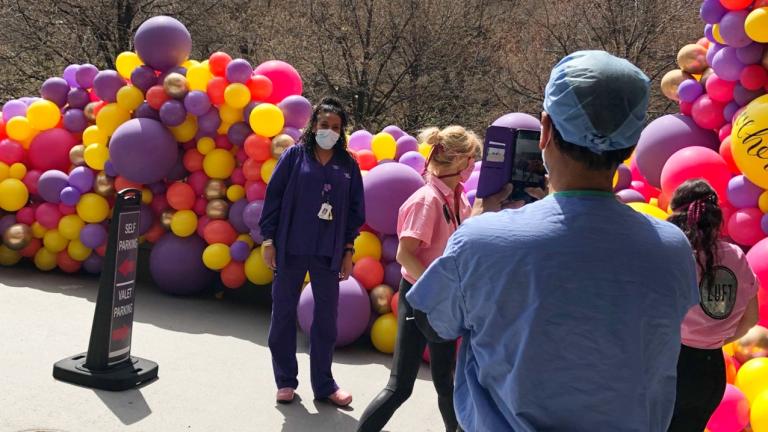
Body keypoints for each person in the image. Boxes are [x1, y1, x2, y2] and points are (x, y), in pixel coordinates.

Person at [405, 50, 700, 431]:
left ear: (545, 129)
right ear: (629, 146)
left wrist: (475, 225)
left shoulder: (483, 239)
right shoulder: (672, 248)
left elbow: (432, 323)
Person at [358, 126, 481, 432]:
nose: (474, 166)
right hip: (420, 296)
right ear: (463, 162)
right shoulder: (426, 200)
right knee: (401, 386)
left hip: (441, 299)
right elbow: (404, 254)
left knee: (445, 381)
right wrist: (436, 286)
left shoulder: (456, 196)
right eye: (472, 160)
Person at [259, 97, 365, 407]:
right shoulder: (294, 156)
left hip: (328, 252)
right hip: (290, 247)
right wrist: (268, 240)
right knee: (282, 315)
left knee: (326, 320)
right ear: (313, 126)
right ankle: (285, 380)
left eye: (335, 127)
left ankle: (325, 384)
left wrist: (348, 248)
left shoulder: (348, 165)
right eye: (323, 125)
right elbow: (273, 199)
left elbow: (357, 211)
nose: (329, 131)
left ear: (342, 130)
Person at [667, 179, 760, 432]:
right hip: (712, 371)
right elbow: (752, 318)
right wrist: (716, 337)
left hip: (672, 363)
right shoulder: (736, 255)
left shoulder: (674, 255)